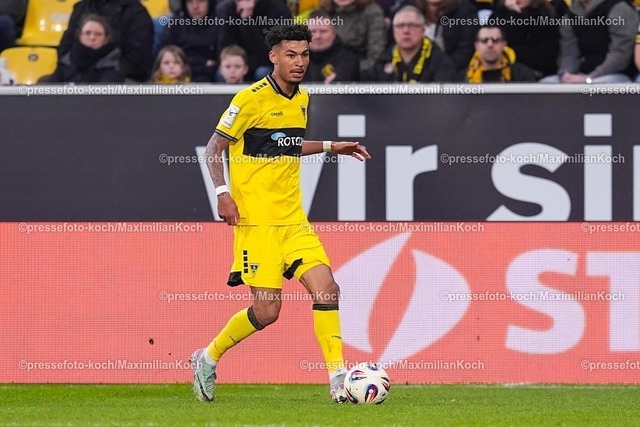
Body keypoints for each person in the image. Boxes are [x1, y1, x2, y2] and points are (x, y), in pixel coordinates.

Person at [191, 24, 371, 404]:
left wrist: (330, 146)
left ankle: (338, 377)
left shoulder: (302, 98)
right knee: (267, 310)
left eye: (304, 55)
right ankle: (207, 357)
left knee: (327, 289)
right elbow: (213, 148)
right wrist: (222, 194)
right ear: (273, 57)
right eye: (291, 55)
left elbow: (286, 144)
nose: (299, 62)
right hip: (257, 224)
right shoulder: (249, 99)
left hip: (293, 221)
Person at [541, 0, 638, 83]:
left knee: (597, 85)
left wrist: (590, 77)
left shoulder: (619, 8)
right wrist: (567, 74)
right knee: (547, 83)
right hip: (584, 73)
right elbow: (569, 51)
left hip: (615, 74)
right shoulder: (572, 12)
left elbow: (621, 54)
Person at [58, 0, 154, 82]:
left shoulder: (136, 13)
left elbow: (138, 61)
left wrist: (106, 70)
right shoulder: (81, 7)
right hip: (77, 72)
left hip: (120, 78)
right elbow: (65, 48)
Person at [373, 5, 457, 82]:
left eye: (412, 25)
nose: (406, 31)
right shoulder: (383, 61)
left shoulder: (440, 63)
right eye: (400, 25)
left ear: (423, 31)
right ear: (393, 31)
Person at [216, 0, 292, 81]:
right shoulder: (227, 8)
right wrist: (239, 65)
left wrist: (247, 20)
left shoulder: (278, 10)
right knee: (221, 73)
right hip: (239, 63)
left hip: (266, 63)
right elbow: (224, 48)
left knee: (262, 72)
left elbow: (271, 56)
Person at [489, 0, 560, 79]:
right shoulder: (500, 13)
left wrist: (513, 53)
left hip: (538, 73)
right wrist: (513, 13)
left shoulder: (544, 15)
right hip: (501, 72)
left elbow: (546, 58)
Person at [318, 0, 386, 80]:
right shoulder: (323, 12)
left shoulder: (372, 12)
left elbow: (376, 57)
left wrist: (345, 72)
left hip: (362, 76)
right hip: (325, 72)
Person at [45, 14, 124, 83]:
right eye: (87, 33)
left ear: (106, 39)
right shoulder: (67, 62)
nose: (92, 37)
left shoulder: (113, 66)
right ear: (80, 36)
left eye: (98, 34)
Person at [162, 0, 219, 82]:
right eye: (190, 2)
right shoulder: (175, 25)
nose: (195, 6)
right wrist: (202, 63)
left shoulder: (221, 24)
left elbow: (224, 57)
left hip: (213, 75)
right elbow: (167, 55)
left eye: (201, 1)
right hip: (179, 73)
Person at [463, 25, 536, 83]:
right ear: (476, 46)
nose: (490, 45)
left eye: (495, 40)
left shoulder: (521, 74)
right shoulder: (465, 76)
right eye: (484, 40)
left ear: (504, 44)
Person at [304, 9, 360, 83]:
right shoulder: (296, 59)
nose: (317, 36)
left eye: (323, 31)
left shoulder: (349, 60)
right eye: (313, 31)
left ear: (335, 33)